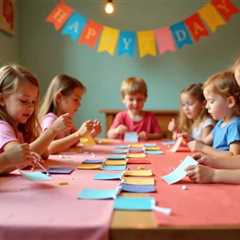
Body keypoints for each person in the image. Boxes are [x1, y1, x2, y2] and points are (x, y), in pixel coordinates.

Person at [0, 64, 71, 173]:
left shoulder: (20, 128)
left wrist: (39, 146)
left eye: (33, 102)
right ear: (1, 99)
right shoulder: (2, 127)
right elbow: (22, 159)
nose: (31, 107)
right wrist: (52, 130)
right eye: (24, 101)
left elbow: (45, 153)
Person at [39, 74, 101, 154]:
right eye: (76, 100)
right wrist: (78, 134)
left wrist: (92, 134)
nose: (79, 104)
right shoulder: (50, 120)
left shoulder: (67, 121)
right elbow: (49, 148)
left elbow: (80, 142)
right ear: (59, 98)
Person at [188, 71, 240, 156]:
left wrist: (202, 148)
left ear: (230, 102)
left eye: (211, 101)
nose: (206, 106)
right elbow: (205, 142)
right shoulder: (220, 123)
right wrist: (189, 139)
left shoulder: (234, 125)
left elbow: (234, 156)